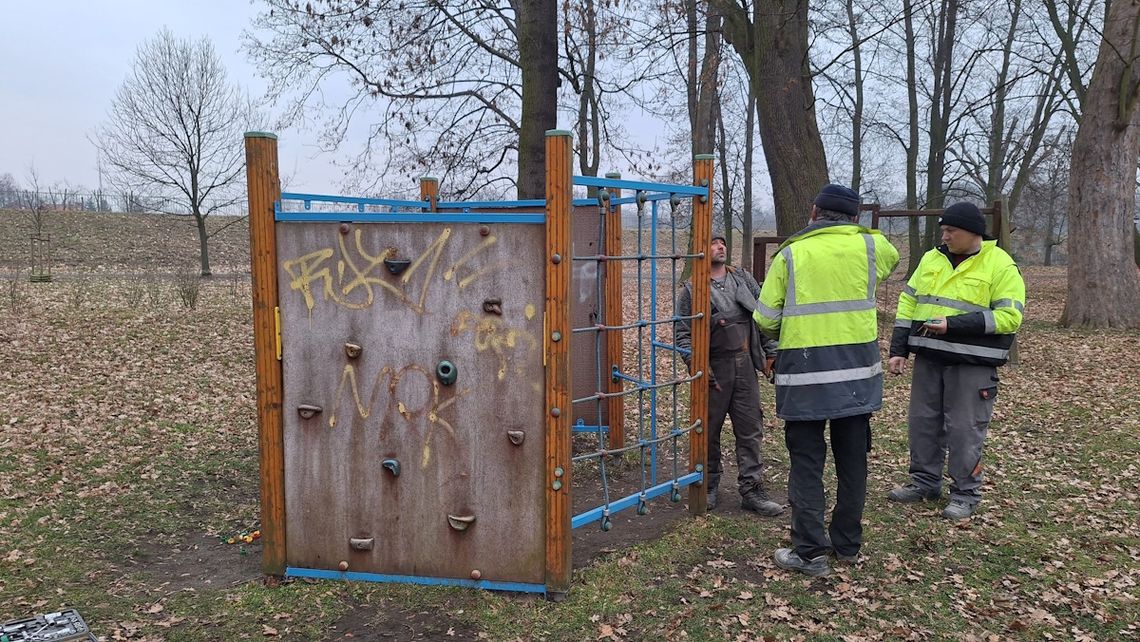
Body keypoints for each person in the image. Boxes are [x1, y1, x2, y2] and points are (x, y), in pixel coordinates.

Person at [754, 184, 899, 577]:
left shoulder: (791, 253)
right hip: (857, 378)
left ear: (814, 211)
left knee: (806, 464)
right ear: (855, 218)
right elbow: (890, 253)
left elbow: (765, 317)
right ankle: (847, 545)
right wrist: (859, 231)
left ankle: (809, 552)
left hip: (804, 379)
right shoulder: (872, 248)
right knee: (853, 464)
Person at [886, 201, 1025, 520]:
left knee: (964, 428)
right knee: (923, 423)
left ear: (973, 233)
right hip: (929, 358)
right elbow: (908, 305)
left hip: (972, 364)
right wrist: (898, 350)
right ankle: (924, 483)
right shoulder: (931, 259)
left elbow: (1009, 317)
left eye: (951, 231)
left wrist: (954, 325)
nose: (945, 236)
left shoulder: (1000, 264)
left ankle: (965, 493)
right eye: (943, 230)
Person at [676, 235, 784, 517]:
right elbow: (682, 335)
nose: (720, 247)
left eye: (722, 242)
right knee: (708, 430)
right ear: (700, 250)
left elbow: (763, 318)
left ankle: (752, 490)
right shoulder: (692, 290)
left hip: (746, 364)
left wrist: (770, 351)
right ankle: (707, 485)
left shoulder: (743, 280)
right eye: (712, 243)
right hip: (714, 369)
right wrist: (696, 363)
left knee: (750, 429)